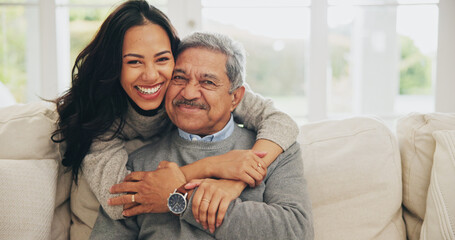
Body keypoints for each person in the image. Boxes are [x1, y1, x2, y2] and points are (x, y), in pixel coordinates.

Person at [51, 0, 299, 238]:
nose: (150, 76)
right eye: (134, 62)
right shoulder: (103, 121)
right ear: (115, 66)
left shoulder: (211, 93)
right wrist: (202, 170)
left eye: (162, 59)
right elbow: (121, 205)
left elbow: (281, 122)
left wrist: (235, 181)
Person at [90, 31, 313, 240]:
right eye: (179, 78)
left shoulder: (275, 149)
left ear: (235, 98)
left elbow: (296, 231)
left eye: (207, 82)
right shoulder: (138, 165)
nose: (188, 93)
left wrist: (181, 200)